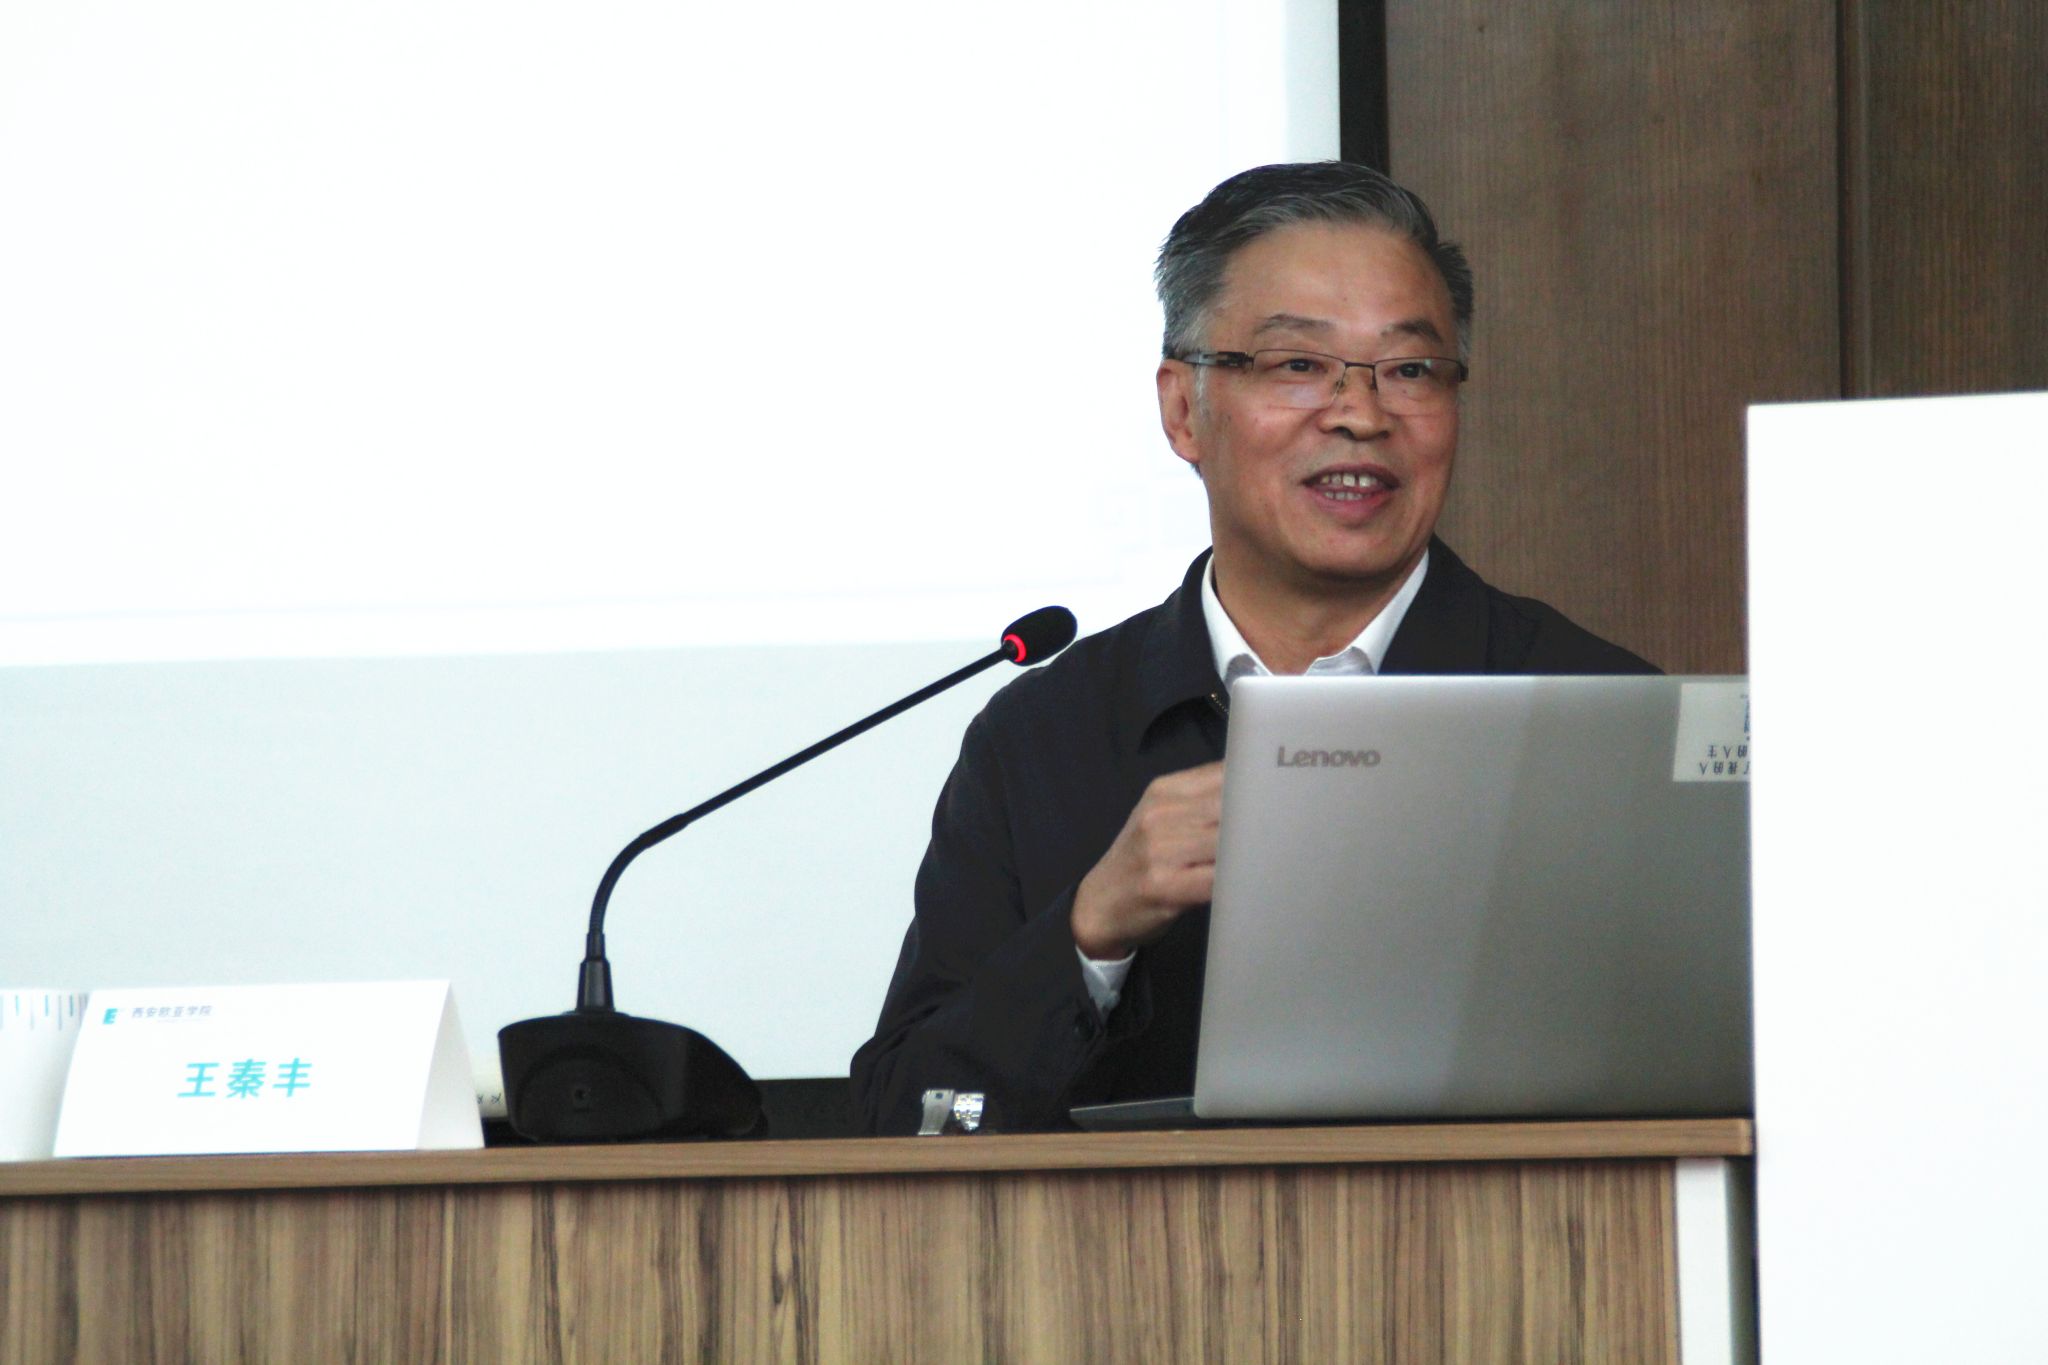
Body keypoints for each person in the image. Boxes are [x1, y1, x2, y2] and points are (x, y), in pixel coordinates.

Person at [850, 162, 1654, 1134]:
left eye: (1409, 369)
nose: (1361, 413)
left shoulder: (1599, 712)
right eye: (1297, 365)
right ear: (1183, 410)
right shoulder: (1044, 738)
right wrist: (1090, 929)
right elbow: (909, 1120)